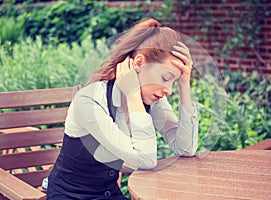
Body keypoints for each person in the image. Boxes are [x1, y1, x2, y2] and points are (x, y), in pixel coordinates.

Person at [47, 18, 198, 199]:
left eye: (174, 82)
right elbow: (147, 160)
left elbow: (186, 148)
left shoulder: (152, 100)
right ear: (139, 64)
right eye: (166, 78)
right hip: (70, 195)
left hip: (108, 195)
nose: (169, 90)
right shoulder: (89, 101)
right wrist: (133, 95)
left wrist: (184, 85)